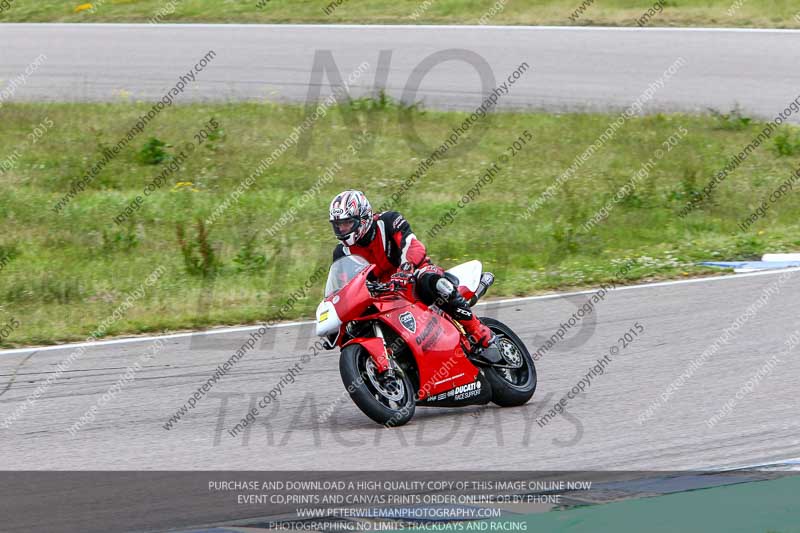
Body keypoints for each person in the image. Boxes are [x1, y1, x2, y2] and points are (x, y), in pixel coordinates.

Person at [328, 189, 495, 353]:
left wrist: (406, 268)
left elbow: (411, 245)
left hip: (413, 274)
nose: (342, 230)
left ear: (363, 218)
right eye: (338, 225)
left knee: (435, 283)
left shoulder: (388, 221)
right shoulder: (342, 253)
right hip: (382, 294)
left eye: (346, 223)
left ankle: (477, 329)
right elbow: (343, 287)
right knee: (357, 326)